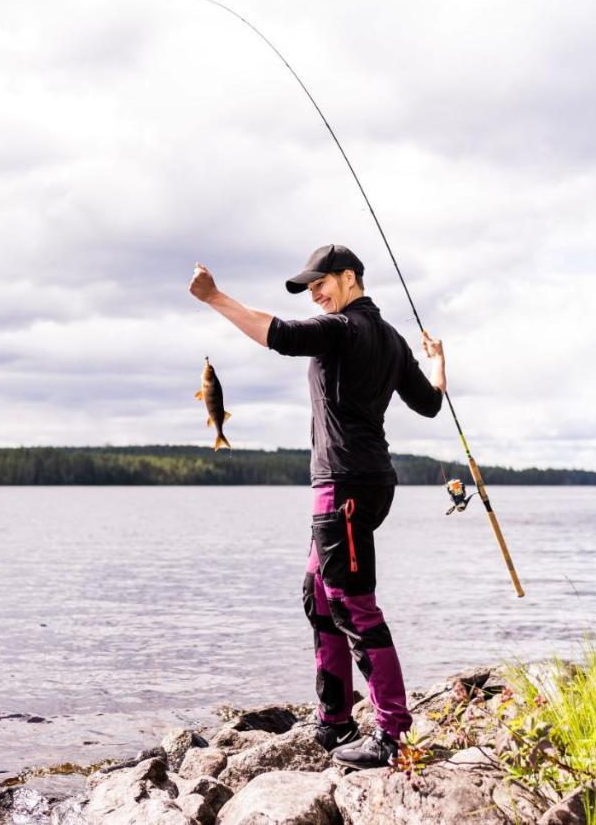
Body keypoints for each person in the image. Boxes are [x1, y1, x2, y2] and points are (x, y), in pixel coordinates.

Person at [188, 243, 446, 769]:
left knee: (353, 605)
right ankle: (335, 721)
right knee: (318, 594)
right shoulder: (393, 340)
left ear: (351, 277)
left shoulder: (344, 328)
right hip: (360, 483)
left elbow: (278, 333)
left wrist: (214, 297)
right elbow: (430, 401)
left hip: (347, 488)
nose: (315, 293)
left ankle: (391, 732)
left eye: (321, 282)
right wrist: (439, 364)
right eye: (309, 287)